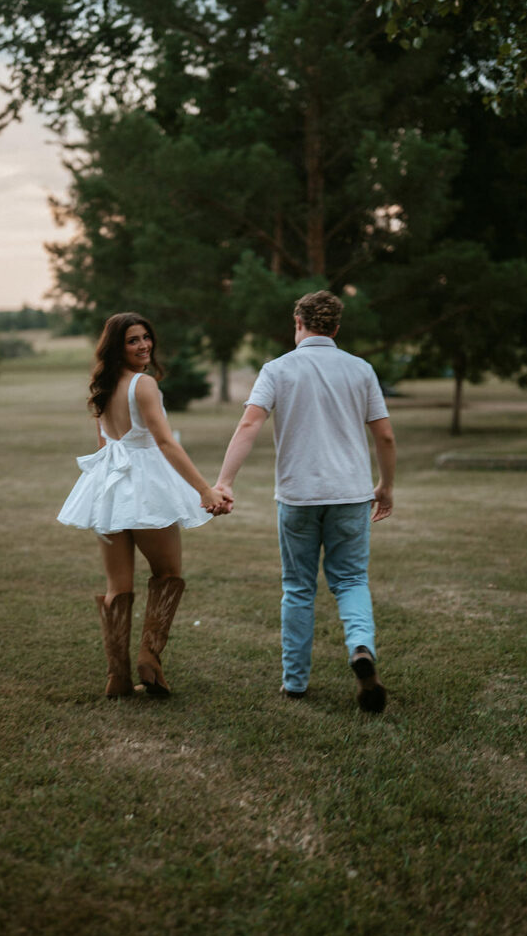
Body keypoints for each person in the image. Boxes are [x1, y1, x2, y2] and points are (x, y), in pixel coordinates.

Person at [214, 290, 396, 712]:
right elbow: (384, 434)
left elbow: (249, 424)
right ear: (335, 328)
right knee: (350, 580)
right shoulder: (360, 369)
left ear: (298, 324)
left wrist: (224, 481)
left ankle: (295, 683)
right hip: (351, 494)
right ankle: (360, 648)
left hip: (298, 497)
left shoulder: (277, 369)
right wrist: (385, 484)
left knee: (298, 587)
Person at [58, 312, 228, 699]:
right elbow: (165, 443)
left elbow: (105, 443)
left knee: (117, 585)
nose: (144, 346)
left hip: (109, 489)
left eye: (146, 338)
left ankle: (117, 678)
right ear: (117, 346)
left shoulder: (102, 386)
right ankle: (148, 660)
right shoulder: (143, 384)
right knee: (167, 573)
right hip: (146, 487)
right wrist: (204, 490)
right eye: (133, 340)